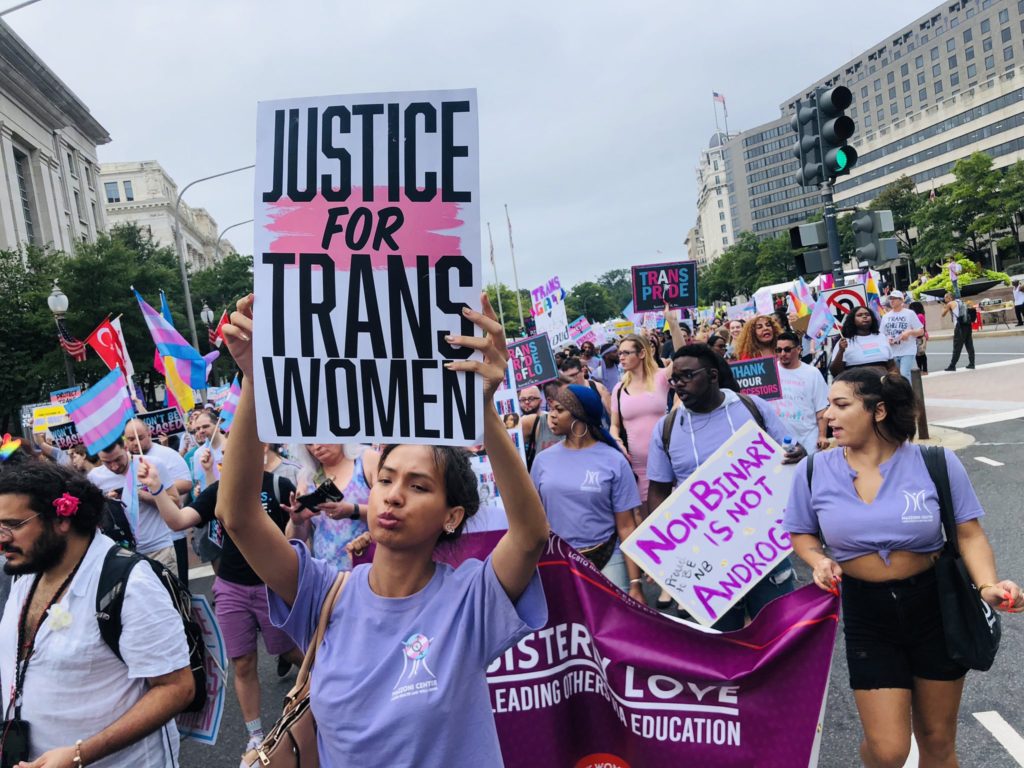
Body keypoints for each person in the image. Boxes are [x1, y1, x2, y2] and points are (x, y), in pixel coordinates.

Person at [216, 293, 549, 766]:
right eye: (386, 479)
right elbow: (238, 516)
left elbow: (531, 534)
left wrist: (486, 410)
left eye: (418, 486)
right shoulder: (322, 595)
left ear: (451, 515)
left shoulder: (470, 598)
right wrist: (256, 379)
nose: (392, 495)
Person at [783, 369, 1023, 767]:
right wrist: (818, 560)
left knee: (937, 740)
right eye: (829, 405)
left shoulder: (935, 462)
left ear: (878, 411)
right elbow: (802, 535)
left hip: (935, 606)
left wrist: (987, 586)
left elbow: (969, 534)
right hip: (867, 614)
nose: (827, 414)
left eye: (841, 405)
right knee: (889, 749)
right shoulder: (813, 471)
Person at [0, 461, 194, 766]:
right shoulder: (24, 571)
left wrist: (80, 754)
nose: (2, 538)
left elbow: (177, 688)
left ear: (61, 519)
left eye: (13, 524)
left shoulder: (130, 583)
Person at [140, 456, 304, 758]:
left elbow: (294, 543)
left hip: (272, 585)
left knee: (293, 651)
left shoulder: (279, 485)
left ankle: (322, 701)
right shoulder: (218, 491)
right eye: (228, 454)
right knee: (242, 662)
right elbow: (177, 521)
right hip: (232, 588)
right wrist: (156, 488)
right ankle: (256, 735)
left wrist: (297, 519)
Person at [646, 343, 806, 629]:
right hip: (704, 558)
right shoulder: (667, 428)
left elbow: (791, 452)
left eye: (687, 376)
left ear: (712, 375)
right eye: (674, 379)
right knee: (723, 644)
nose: (678, 384)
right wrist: (662, 552)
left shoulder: (752, 407)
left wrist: (797, 455)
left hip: (762, 550)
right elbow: (658, 491)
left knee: (778, 634)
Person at [531, 384, 644, 599]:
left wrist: (635, 584)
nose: (551, 416)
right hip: (559, 560)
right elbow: (533, 521)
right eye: (551, 409)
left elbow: (626, 525)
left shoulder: (614, 460)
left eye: (559, 410)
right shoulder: (542, 461)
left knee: (615, 627)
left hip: (609, 558)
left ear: (579, 415)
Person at [284, 443, 380, 572]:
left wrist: (352, 510)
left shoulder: (367, 460)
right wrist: (297, 521)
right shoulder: (307, 477)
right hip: (328, 576)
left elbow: (388, 511)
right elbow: (294, 540)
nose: (316, 447)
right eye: (309, 444)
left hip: (369, 568)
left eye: (320, 438)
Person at [89, 439, 180, 572]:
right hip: (124, 555)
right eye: (107, 462)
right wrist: (108, 504)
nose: (114, 466)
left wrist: (141, 495)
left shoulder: (151, 465)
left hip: (159, 549)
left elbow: (176, 502)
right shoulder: (95, 477)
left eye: (118, 459)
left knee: (168, 592)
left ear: (125, 447)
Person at [124, 418, 193, 586]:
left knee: (177, 588)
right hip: (140, 544)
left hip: (170, 536)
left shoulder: (166, 455)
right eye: (131, 439)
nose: (136, 443)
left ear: (149, 434)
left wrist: (154, 488)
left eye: (140, 437)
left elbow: (186, 483)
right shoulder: (124, 463)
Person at [609, 334, 671, 517]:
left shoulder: (660, 377)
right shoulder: (618, 389)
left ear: (642, 353)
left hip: (666, 462)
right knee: (646, 522)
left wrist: (673, 325)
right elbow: (614, 425)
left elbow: (685, 356)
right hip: (637, 468)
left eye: (627, 353)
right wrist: (615, 439)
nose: (621, 357)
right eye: (620, 353)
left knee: (671, 515)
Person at [772, 331, 830, 455]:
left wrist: (822, 435)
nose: (783, 354)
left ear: (798, 349)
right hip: (777, 440)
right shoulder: (770, 372)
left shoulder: (812, 373)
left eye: (787, 349)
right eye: (779, 350)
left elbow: (821, 408)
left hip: (808, 440)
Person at [830, 306, 894, 377]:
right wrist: (841, 351)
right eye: (859, 315)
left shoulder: (881, 337)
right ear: (852, 320)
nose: (864, 317)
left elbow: (892, 366)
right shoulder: (845, 341)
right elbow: (835, 372)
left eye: (867, 314)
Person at [522, 378, 567, 470]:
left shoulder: (576, 422)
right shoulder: (531, 421)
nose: (526, 402)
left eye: (531, 399)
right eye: (522, 400)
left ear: (541, 401)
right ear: (550, 402)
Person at [878, 291, 924, 379]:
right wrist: (887, 340)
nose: (892, 301)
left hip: (908, 350)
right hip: (893, 351)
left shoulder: (910, 313)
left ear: (901, 300)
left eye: (894, 298)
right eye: (890, 298)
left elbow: (921, 331)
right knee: (897, 376)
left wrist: (909, 332)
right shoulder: (886, 316)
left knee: (904, 374)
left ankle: (908, 392)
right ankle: (902, 392)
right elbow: (882, 334)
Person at [942, 291, 976, 371]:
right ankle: (972, 363)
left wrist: (944, 307)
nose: (944, 300)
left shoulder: (950, 304)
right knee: (969, 345)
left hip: (960, 326)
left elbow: (943, 314)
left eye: (945, 298)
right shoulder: (960, 302)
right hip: (967, 324)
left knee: (957, 346)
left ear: (949, 298)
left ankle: (952, 365)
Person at [909, 300, 929, 375]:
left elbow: (919, 327)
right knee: (919, 354)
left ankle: (924, 370)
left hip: (919, 337)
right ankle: (921, 370)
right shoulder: (920, 315)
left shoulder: (919, 316)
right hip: (918, 337)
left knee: (921, 354)